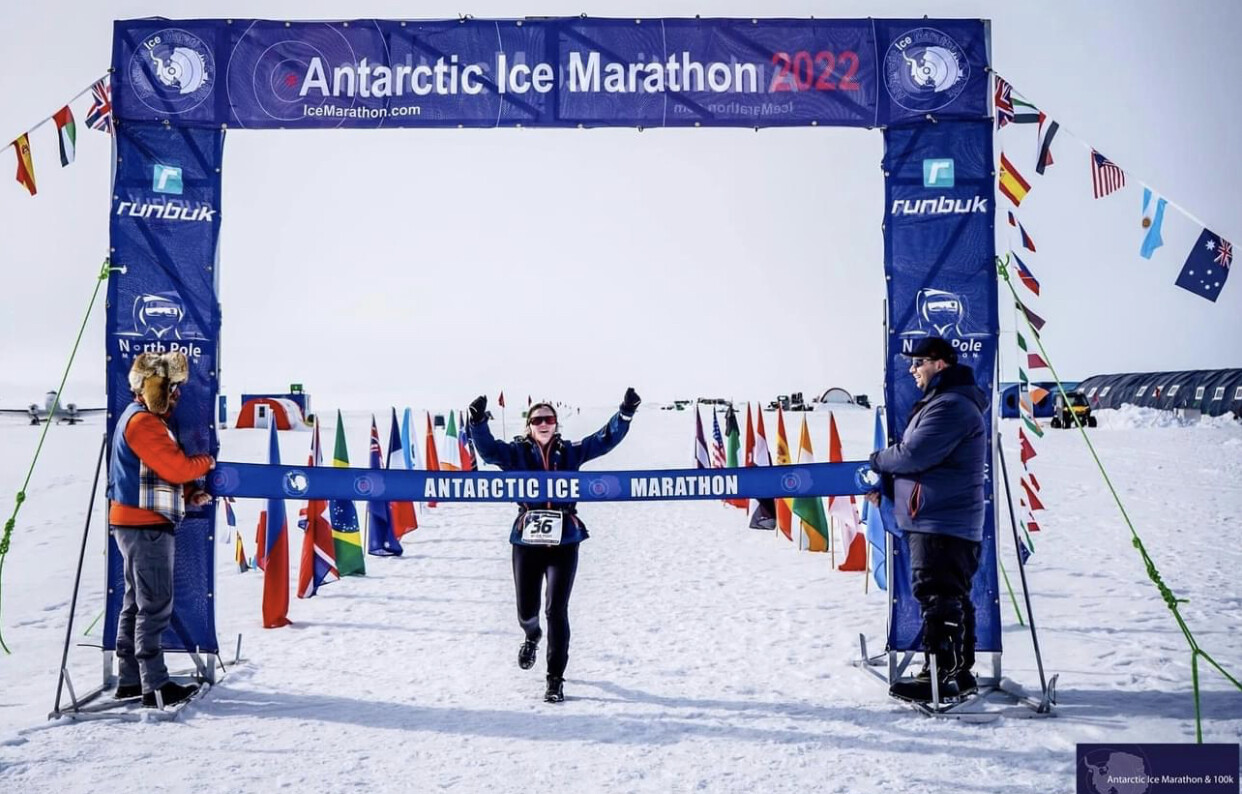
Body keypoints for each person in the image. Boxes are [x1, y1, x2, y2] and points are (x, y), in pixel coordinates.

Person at [467, 388, 641, 703]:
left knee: (556, 610)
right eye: (537, 420)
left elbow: (603, 441)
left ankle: (554, 679)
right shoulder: (516, 453)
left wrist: (625, 413)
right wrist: (478, 422)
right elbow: (489, 451)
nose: (543, 424)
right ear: (529, 426)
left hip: (565, 539)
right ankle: (531, 635)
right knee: (527, 609)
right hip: (527, 539)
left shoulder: (570, 452)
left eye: (548, 419)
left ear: (556, 424)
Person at [868, 337, 986, 703]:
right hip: (941, 520)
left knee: (938, 596)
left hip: (940, 522)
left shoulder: (950, 405)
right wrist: (889, 493)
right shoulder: (945, 402)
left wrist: (878, 460)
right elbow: (924, 464)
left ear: (940, 363)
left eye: (918, 362)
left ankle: (936, 676)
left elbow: (914, 454)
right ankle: (958, 674)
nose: (912, 370)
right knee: (951, 595)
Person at [107, 351, 215, 709]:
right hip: (145, 526)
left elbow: (155, 472)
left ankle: (130, 680)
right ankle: (155, 686)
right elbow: (175, 467)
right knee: (154, 606)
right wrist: (205, 463)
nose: (178, 395)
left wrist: (188, 494)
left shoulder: (139, 419)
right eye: (172, 388)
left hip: (135, 522)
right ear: (155, 388)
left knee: (136, 603)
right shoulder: (144, 423)